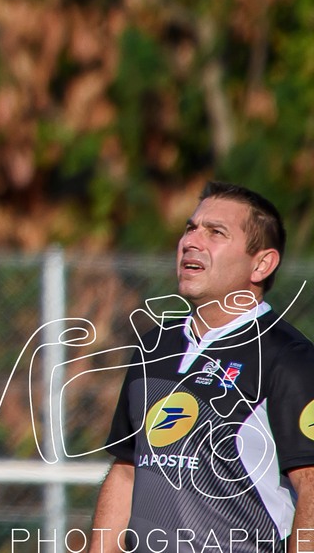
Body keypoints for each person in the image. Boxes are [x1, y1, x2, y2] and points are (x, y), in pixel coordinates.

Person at [89, 181, 314, 552]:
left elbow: (310, 485)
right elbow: (127, 471)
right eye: (191, 228)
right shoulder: (153, 346)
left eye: (216, 233)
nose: (192, 242)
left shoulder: (290, 358)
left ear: (262, 263)